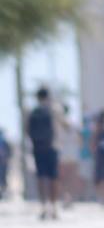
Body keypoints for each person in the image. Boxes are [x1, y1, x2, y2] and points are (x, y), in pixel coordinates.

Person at [28, 87, 61, 220]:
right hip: (52, 147)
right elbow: (60, 126)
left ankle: (43, 207)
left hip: (38, 148)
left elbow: (27, 130)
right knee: (53, 178)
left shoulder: (33, 111)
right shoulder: (53, 110)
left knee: (41, 177)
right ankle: (54, 208)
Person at [56, 102, 83, 208]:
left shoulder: (58, 124)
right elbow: (79, 140)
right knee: (70, 177)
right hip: (72, 154)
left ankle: (66, 198)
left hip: (63, 154)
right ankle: (69, 198)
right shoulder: (74, 124)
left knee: (64, 178)